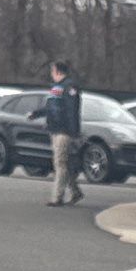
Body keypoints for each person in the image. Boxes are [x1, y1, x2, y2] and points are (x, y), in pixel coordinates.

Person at [40, 61, 84, 203]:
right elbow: (50, 107)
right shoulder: (56, 88)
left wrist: (73, 132)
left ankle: (57, 197)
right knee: (64, 164)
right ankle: (75, 192)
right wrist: (36, 114)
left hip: (64, 131)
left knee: (60, 163)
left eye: (52, 71)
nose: (51, 74)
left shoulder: (69, 87)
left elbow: (72, 111)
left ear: (58, 71)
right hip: (55, 129)